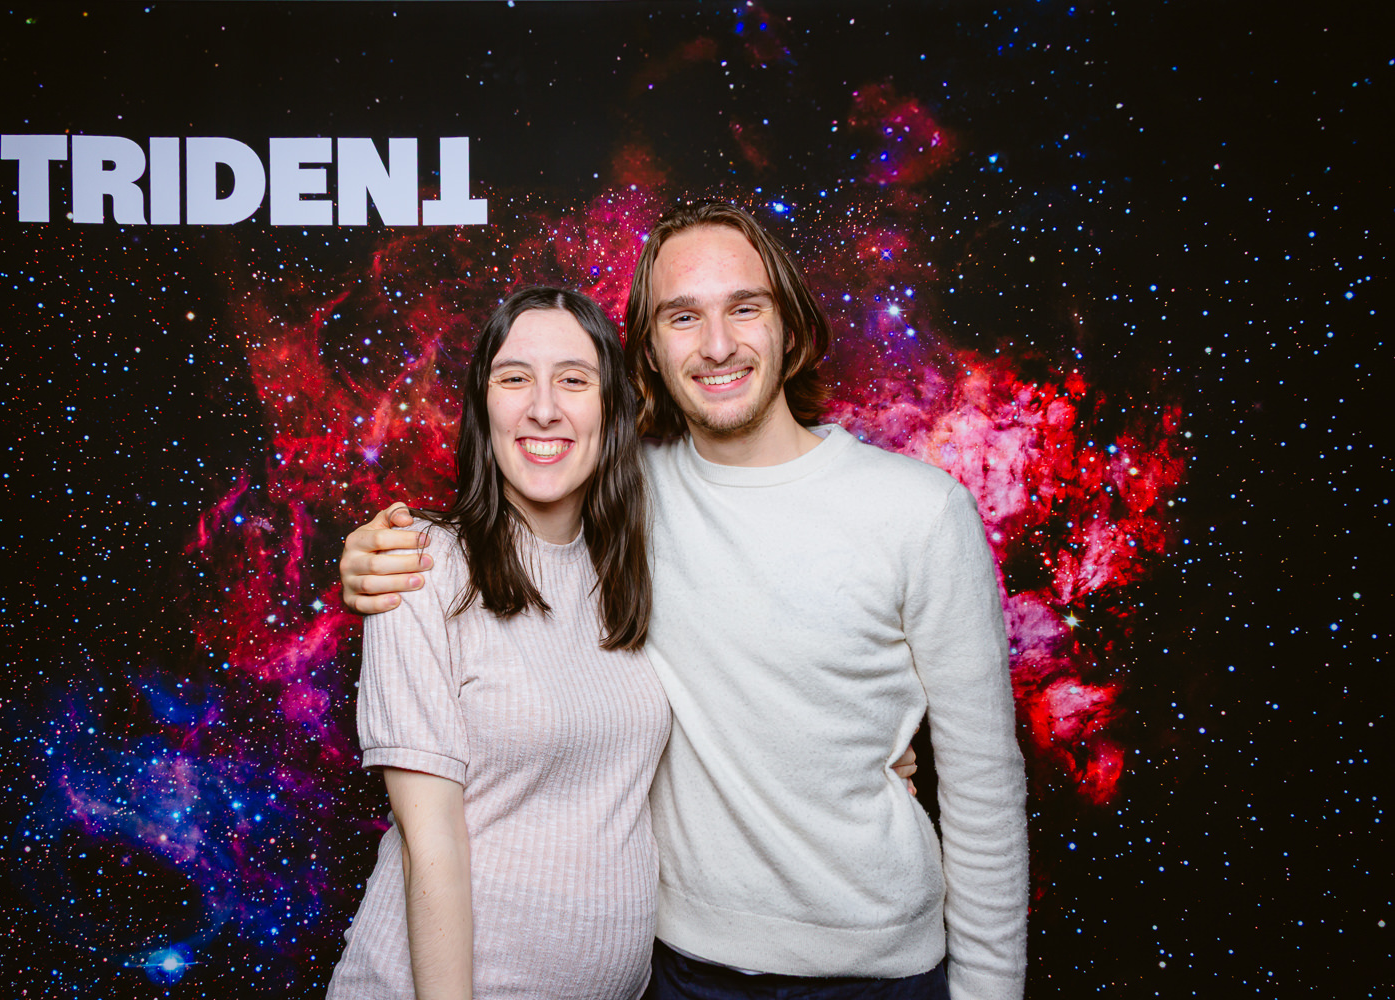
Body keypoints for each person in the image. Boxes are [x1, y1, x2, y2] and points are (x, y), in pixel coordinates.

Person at [340, 202, 1028, 1000]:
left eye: (746, 308)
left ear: (792, 329)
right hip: (681, 971)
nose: (718, 345)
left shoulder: (920, 511)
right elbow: (508, 521)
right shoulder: (627, 497)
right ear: (650, 357)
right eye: (683, 317)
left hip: (875, 974)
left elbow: (983, 786)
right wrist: (369, 558)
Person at [325, 287, 670, 1000]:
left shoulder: (635, 569)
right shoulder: (421, 564)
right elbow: (430, 845)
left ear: (613, 408)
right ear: (484, 408)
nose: (543, 407)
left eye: (574, 379)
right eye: (515, 378)